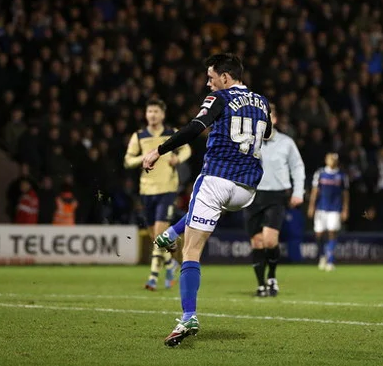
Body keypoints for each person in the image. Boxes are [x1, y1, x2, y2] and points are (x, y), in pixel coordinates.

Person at [144, 54, 272, 347]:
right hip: (247, 189)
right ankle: (170, 232)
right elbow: (266, 133)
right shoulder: (262, 101)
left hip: (217, 179)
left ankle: (188, 315)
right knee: (205, 212)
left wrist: (159, 151)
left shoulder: (219, 99)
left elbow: (193, 129)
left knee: (191, 250)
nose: (208, 83)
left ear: (226, 78)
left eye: (211, 77)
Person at [124, 98, 191, 291]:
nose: (152, 115)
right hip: (147, 189)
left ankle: (153, 276)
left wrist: (178, 158)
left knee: (160, 232)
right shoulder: (139, 136)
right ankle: (171, 264)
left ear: (162, 114)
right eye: (149, 111)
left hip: (167, 189)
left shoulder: (171, 133)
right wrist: (142, 159)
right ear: (146, 115)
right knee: (156, 236)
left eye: (156, 111)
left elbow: (187, 148)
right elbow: (128, 161)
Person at [244, 105, 305, 297]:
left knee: (270, 240)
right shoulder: (248, 141)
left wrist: (298, 193)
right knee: (257, 242)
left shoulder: (286, 142)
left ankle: (272, 276)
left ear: (275, 120)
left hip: (276, 195)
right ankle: (261, 284)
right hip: (252, 195)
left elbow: (297, 167)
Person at [307, 153, 349, 271]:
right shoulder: (320, 173)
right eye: (330, 159)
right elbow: (315, 191)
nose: (332, 161)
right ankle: (322, 256)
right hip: (321, 209)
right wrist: (311, 206)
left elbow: (345, 194)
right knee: (319, 234)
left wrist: (345, 209)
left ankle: (330, 260)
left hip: (335, 209)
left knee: (332, 232)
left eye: (334, 159)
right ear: (326, 160)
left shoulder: (341, 175)